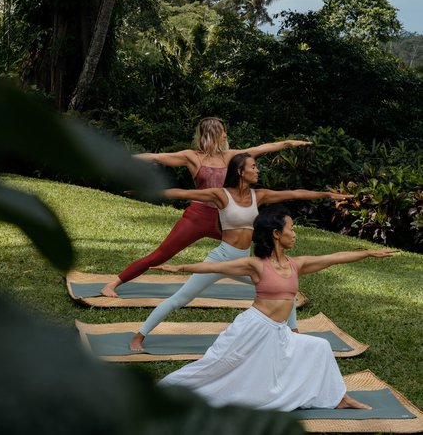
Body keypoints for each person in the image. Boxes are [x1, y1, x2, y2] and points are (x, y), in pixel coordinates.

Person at [153, 205, 399, 412]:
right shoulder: (256, 265)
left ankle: (339, 399)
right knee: (215, 366)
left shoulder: (296, 264)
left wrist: (368, 253)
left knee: (320, 346)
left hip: (278, 333)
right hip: (252, 328)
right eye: (291, 229)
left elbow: (334, 257)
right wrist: (181, 268)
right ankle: (163, 390)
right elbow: (217, 267)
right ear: (275, 233)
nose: (294, 234)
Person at [128, 152, 352, 351]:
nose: (257, 170)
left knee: (288, 286)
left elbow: (294, 193)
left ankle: (293, 334)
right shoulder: (221, 195)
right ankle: (138, 337)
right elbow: (182, 193)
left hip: (247, 264)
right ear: (240, 172)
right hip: (222, 258)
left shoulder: (259, 196)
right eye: (253, 167)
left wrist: (326, 195)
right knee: (180, 298)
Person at [101, 117, 311, 298]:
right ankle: (113, 284)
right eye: (223, 131)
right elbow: (155, 157)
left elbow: (261, 149)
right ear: (213, 133)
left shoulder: (229, 157)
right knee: (160, 255)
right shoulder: (191, 157)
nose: (226, 135)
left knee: (266, 243)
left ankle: (280, 282)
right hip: (197, 217)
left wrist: (287, 142)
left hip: (227, 219)